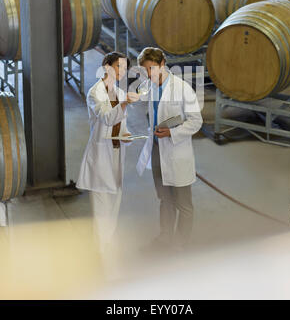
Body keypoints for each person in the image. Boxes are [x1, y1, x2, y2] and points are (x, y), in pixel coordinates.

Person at [136, 47, 202, 251]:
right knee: (164, 198)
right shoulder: (149, 85)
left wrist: (172, 133)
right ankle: (165, 236)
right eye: (145, 70)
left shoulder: (182, 89)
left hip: (176, 151)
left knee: (183, 203)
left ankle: (182, 242)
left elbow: (196, 121)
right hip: (157, 149)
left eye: (152, 69)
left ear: (163, 64)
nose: (148, 74)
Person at [76, 52, 139, 254]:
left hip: (116, 152)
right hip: (100, 154)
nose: (121, 71)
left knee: (115, 199)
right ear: (106, 67)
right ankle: (101, 247)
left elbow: (121, 124)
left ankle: (108, 243)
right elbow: (107, 118)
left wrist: (127, 135)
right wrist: (126, 103)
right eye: (118, 66)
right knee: (102, 203)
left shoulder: (119, 93)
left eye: (124, 68)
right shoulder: (95, 93)